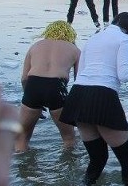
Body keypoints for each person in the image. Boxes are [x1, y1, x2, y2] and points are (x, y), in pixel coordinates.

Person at [59, 13, 128, 186]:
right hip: (103, 96)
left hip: (79, 95)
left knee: (97, 159)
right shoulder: (125, 39)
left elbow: (79, 74)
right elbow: (124, 74)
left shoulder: (93, 38)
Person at [16, 21, 80, 152]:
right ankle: (68, 168)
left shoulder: (35, 46)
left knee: (21, 137)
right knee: (68, 138)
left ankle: (24, 168)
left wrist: (29, 100)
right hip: (57, 87)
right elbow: (79, 81)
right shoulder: (75, 50)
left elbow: (24, 78)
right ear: (70, 34)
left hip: (33, 86)